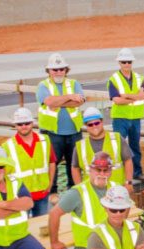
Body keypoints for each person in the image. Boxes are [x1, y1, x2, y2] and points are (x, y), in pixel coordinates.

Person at [49, 152, 113, 249]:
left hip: (112, 248)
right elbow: (54, 214)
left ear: (111, 171)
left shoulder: (114, 188)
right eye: (98, 170)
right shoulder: (77, 193)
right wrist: (54, 241)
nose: (102, 174)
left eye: (105, 170)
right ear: (90, 170)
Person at [37, 53, 85, 194]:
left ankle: (74, 191)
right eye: (55, 69)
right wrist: (69, 97)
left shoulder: (74, 83)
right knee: (52, 164)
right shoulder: (43, 85)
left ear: (66, 70)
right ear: (49, 71)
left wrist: (57, 101)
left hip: (74, 132)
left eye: (61, 69)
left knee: (74, 164)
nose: (58, 72)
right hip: (52, 133)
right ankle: (52, 192)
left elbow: (79, 102)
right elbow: (49, 102)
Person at [107, 48, 144, 181]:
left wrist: (127, 96)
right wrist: (136, 97)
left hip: (135, 118)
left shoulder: (139, 78)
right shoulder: (114, 79)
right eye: (124, 62)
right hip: (120, 118)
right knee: (118, 147)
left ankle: (137, 172)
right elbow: (117, 100)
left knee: (135, 146)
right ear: (119, 63)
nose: (126, 64)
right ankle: (118, 175)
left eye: (129, 62)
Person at [3, 108, 55, 217]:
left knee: (41, 226)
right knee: (22, 228)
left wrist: (50, 184)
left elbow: (51, 162)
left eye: (26, 123)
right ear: (15, 126)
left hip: (42, 194)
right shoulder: (7, 146)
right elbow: (3, 173)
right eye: (20, 124)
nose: (23, 126)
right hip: (20, 197)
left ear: (32, 123)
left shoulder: (44, 140)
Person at [72, 108, 131, 188]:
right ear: (86, 126)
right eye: (90, 124)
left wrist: (128, 182)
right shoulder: (80, 146)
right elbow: (75, 168)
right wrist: (80, 189)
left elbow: (128, 160)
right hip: (92, 192)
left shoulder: (117, 138)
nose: (94, 126)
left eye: (97, 123)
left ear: (102, 122)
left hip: (116, 190)